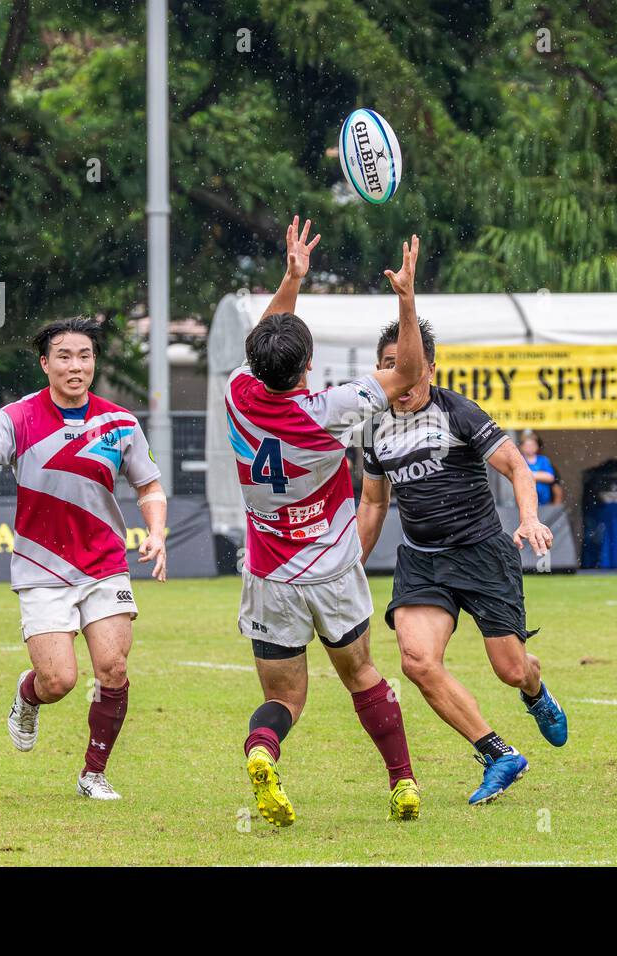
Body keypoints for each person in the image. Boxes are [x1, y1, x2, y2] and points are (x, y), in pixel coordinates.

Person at [226, 217, 427, 827]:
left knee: (283, 697)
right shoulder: (331, 409)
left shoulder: (238, 393)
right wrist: (406, 301)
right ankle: (403, 783)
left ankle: (263, 753)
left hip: (270, 576)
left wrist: (291, 279)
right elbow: (410, 373)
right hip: (332, 572)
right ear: (308, 363)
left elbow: (265, 342)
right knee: (362, 674)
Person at [0, 317, 168, 800]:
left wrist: (156, 533)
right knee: (59, 680)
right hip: (42, 567)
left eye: (85, 356)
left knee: (112, 669)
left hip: (104, 563)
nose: (76, 366)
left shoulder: (121, 422)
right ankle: (28, 696)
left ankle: (93, 774)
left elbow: (149, 486)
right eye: (65, 357)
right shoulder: (17, 417)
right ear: (45, 364)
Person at [357, 319, 565, 807]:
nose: (399, 378)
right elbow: (372, 505)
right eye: (388, 367)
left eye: (407, 367)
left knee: (511, 669)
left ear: (430, 367)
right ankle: (498, 754)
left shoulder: (459, 412)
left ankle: (535, 690)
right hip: (423, 561)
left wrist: (529, 519)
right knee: (418, 662)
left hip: (482, 554)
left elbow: (516, 465)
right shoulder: (372, 425)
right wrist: (349, 568)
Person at [519, 431, 557, 506]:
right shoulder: (520, 461)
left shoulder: (543, 460)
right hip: (526, 501)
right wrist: (539, 475)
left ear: (537, 446)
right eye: (527, 445)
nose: (530, 448)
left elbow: (550, 477)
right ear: (522, 447)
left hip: (545, 501)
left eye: (532, 445)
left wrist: (530, 474)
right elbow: (519, 476)